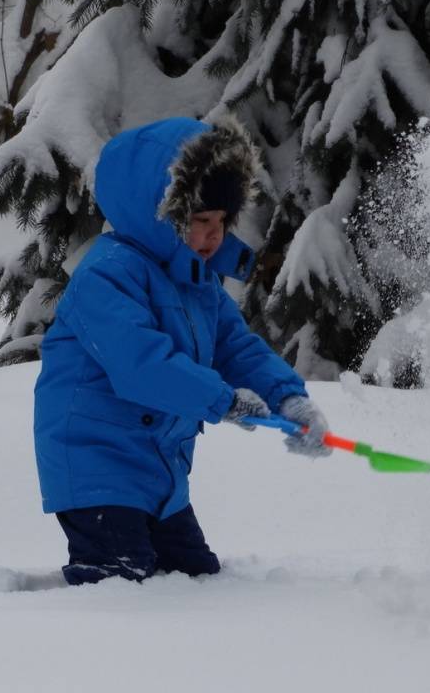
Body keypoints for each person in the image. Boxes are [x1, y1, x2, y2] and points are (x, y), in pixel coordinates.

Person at [33, 115, 331, 585]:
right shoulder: (108, 275)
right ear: (162, 213)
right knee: (120, 584)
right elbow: (141, 365)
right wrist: (222, 400)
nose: (213, 236)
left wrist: (288, 397)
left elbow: (236, 347)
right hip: (98, 465)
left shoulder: (196, 281)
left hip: (158, 474)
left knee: (195, 576)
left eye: (221, 222)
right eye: (199, 221)